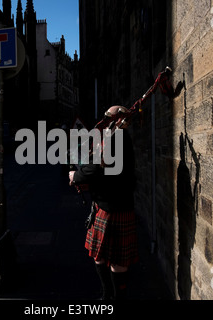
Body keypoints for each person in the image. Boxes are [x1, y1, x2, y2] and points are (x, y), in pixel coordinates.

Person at [68, 106, 139, 300]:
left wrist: (76, 175)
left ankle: (115, 297)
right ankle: (109, 295)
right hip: (110, 205)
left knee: (116, 260)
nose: (103, 121)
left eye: (107, 117)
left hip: (113, 208)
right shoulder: (117, 138)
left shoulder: (115, 140)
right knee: (101, 257)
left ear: (116, 119)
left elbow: (95, 169)